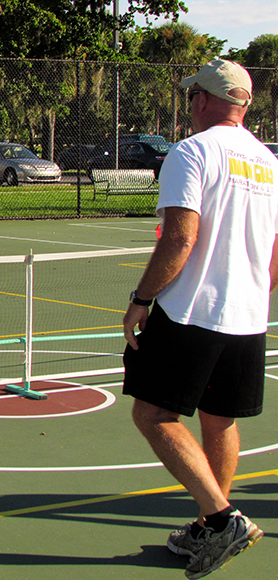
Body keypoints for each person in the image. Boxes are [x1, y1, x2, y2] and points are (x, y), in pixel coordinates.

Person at [123, 60, 278, 579]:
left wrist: (142, 298)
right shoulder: (269, 162)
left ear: (205, 100)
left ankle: (221, 518)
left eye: (193, 97)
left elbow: (180, 238)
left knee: (153, 415)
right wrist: (252, 294)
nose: (190, 105)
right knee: (220, 419)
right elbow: (275, 250)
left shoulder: (192, 153)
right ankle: (212, 526)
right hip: (249, 316)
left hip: (192, 311)